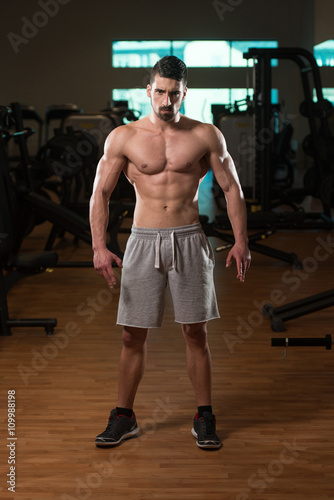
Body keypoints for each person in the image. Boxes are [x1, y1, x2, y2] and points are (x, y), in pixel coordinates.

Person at [89, 55, 251, 450]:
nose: (166, 101)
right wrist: (98, 246)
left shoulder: (205, 135)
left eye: (173, 94)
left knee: (196, 332)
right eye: (159, 92)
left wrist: (241, 239)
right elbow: (101, 193)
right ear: (149, 90)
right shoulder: (123, 137)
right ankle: (123, 417)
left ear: (184, 93)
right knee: (131, 336)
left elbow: (232, 189)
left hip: (189, 240)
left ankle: (204, 416)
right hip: (143, 240)